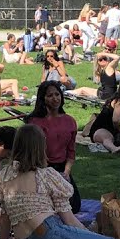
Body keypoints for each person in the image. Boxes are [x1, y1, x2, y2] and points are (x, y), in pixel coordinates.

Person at [0, 125, 120, 239]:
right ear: (41, 147)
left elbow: (5, 220)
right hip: (50, 237)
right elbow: (70, 221)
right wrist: (88, 235)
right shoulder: (46, 175)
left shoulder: (4, 177)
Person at [26, 81, 81, 212]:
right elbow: (35, 152)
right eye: (50, 95)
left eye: (57, 94)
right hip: (41, 168)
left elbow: (71, 151)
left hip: (62, 168)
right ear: (42, 99)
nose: (55, 98)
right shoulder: (35, 122)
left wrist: (66, 173)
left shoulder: (70, 121)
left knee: (74, 206)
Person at [86, 76, 120, 154]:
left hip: (111, 129)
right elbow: (115, 120)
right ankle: (113, 148)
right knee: (108, 138)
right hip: (100, 130)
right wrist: (118, 131)